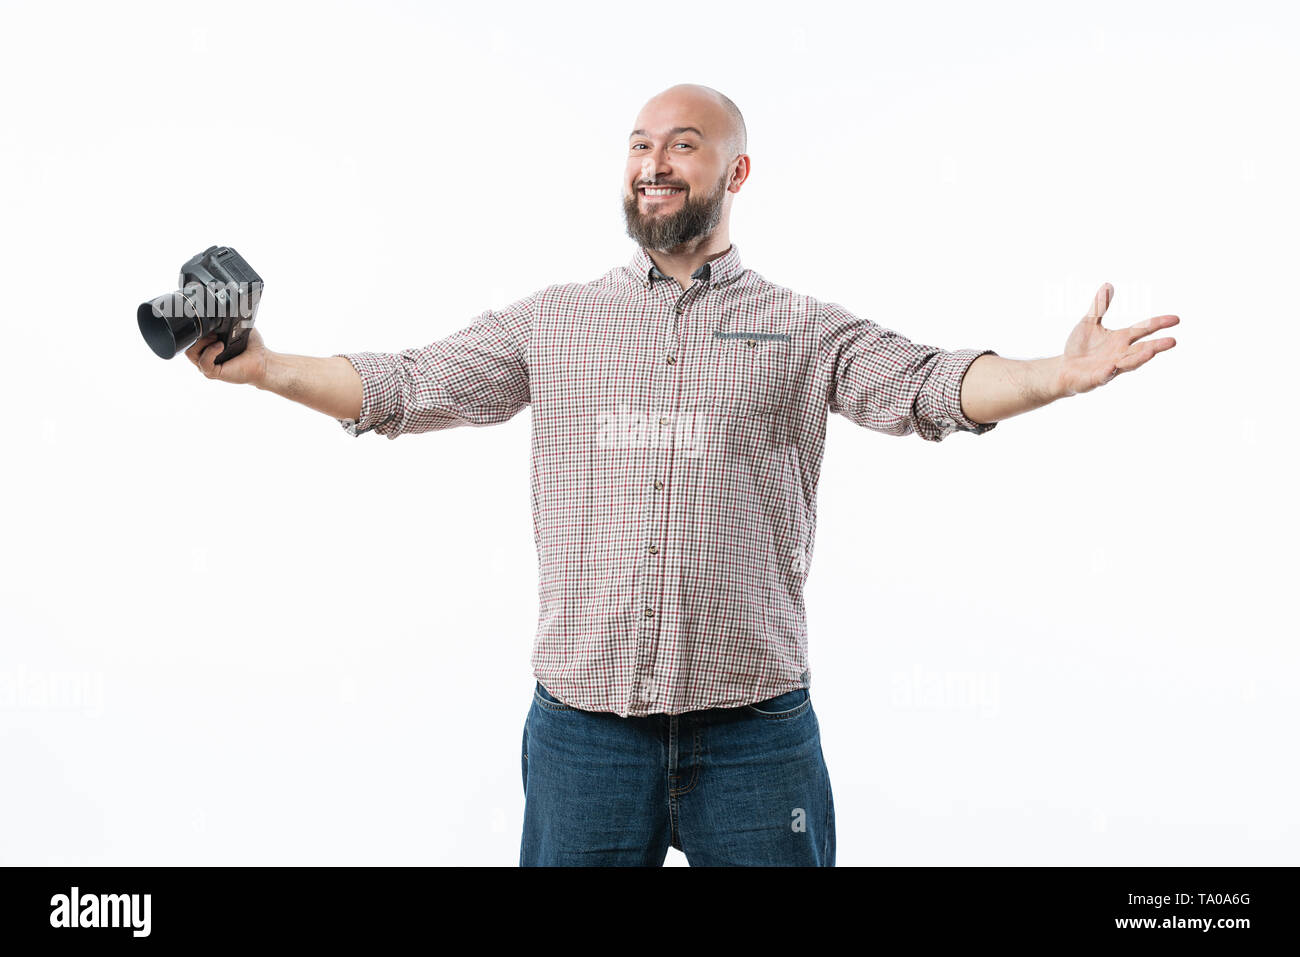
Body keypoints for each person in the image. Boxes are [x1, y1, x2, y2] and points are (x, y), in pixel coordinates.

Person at [184, 83, 1179, 867]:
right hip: (583, 741)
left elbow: (928, 385)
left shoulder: (800, 327)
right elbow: (405, 385)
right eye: (639, 145)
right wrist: (268, 368)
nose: (654, 163)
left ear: (736, 169)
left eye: (683, 144)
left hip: (756, 739)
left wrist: (1058, 374)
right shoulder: (552, 322)